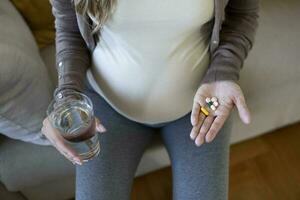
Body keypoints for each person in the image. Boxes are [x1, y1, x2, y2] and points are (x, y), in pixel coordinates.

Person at [42, 0, 259, 199]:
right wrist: (67, 96)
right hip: (107, 106)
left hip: (201, 107)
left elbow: (242, 15)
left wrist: (224, 72)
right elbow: (70, 30)